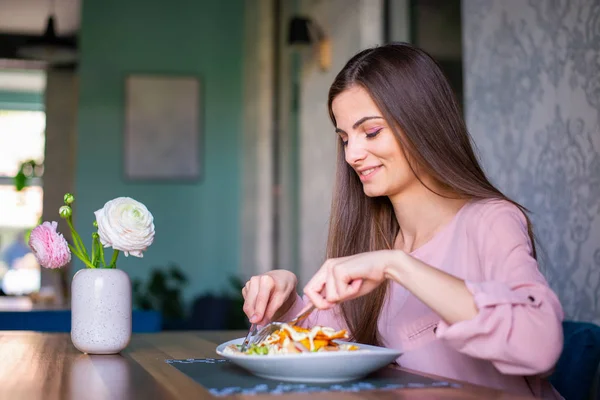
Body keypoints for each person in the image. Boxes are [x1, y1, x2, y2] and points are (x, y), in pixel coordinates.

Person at [241, 42, 564, 399]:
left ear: (422, 121)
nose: (352, 154)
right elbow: (327, 342)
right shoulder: (377, 239)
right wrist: (285, 299)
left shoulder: (490, 220)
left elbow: (540, 345)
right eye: (345, 138)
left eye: (372, 132)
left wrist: (397, 266)